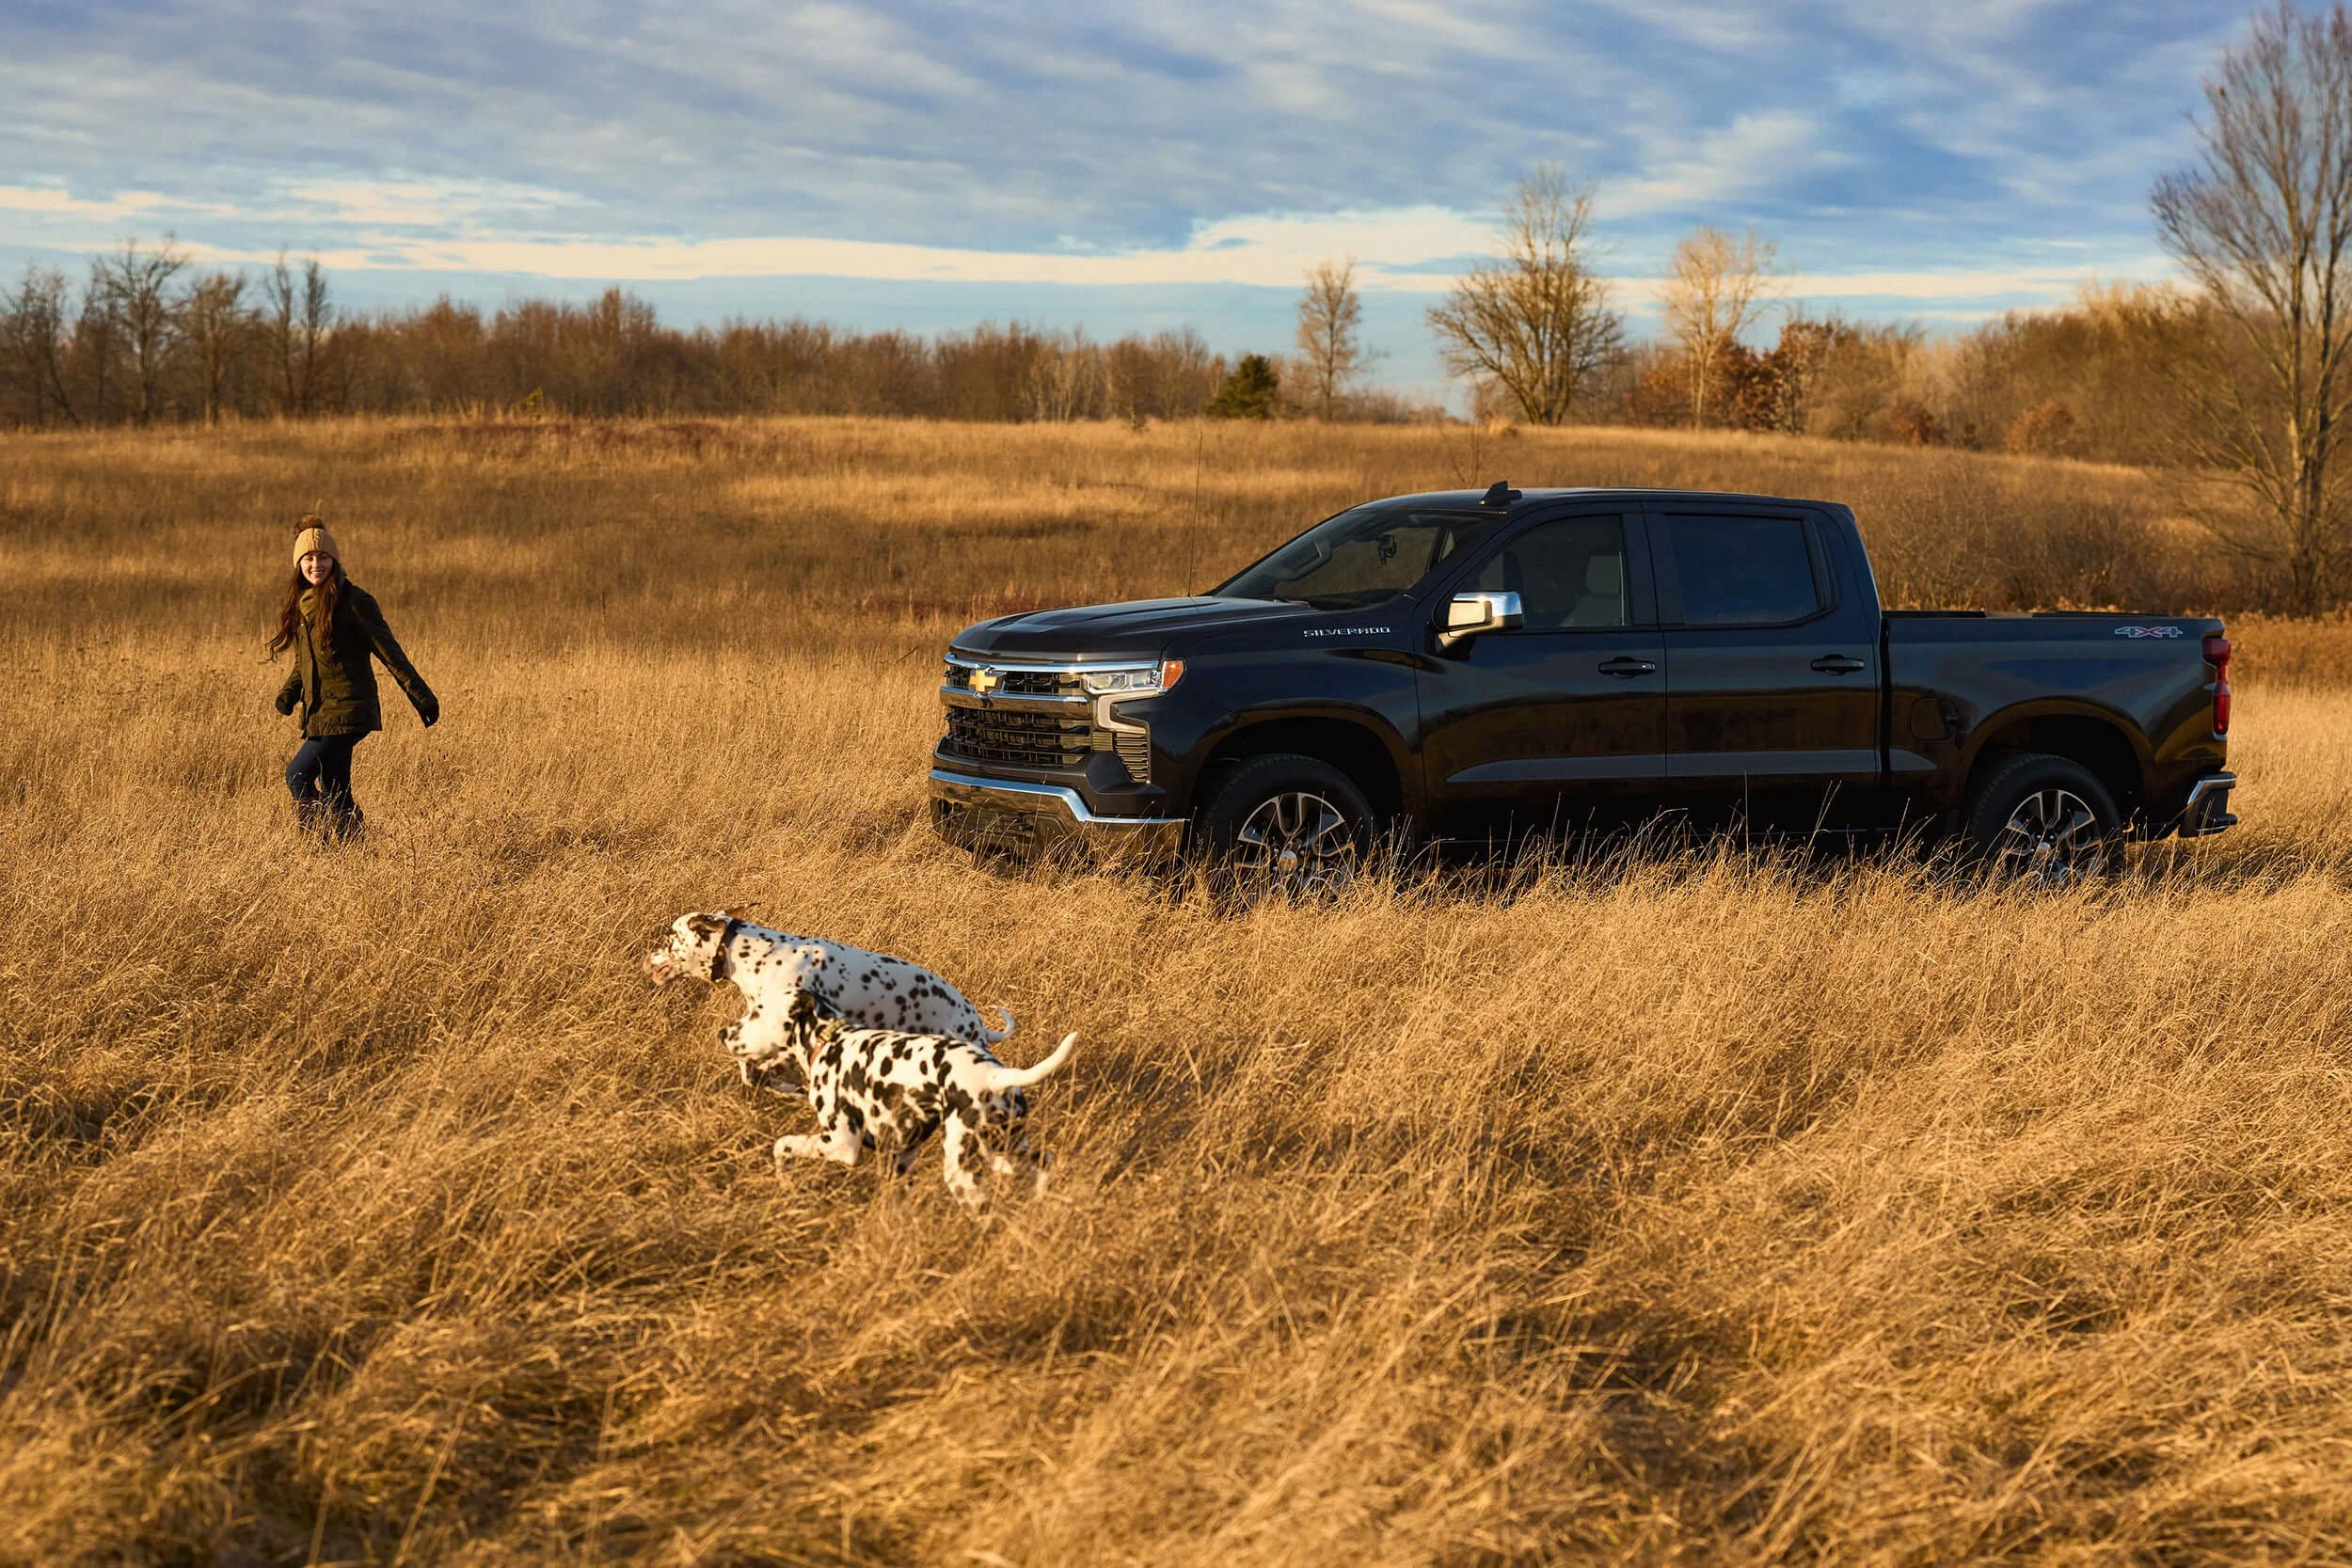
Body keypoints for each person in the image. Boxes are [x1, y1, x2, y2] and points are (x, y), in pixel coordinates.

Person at [267, 515, 438, 841]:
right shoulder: (303, 607)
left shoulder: (354, 602)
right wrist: (289, 693)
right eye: (309, 558)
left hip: (349, 710)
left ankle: (317, 845)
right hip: (321, 712)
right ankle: (351, 850)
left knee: (297, 774)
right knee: (335, 787)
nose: (316, 564)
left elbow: (391, 653)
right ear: (298, 564)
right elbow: (307, 664)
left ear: (334, 560)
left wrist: (421, 696)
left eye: (323, 557)